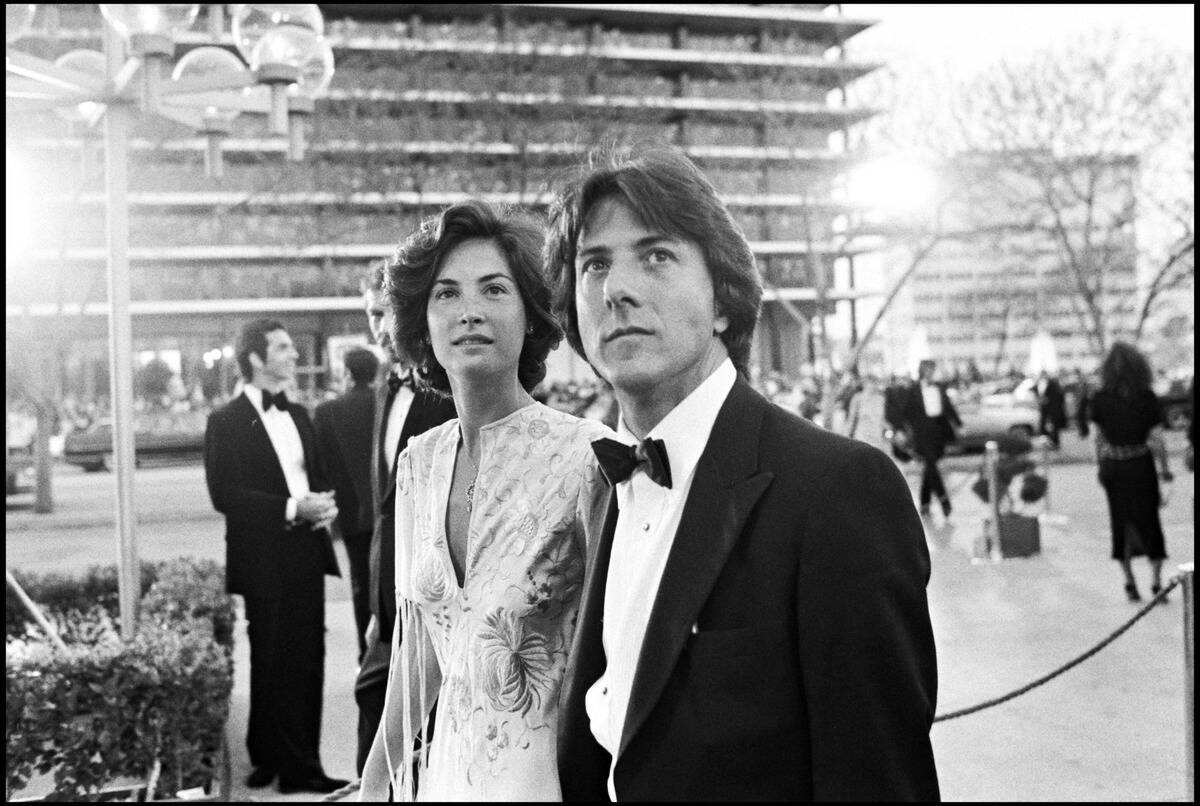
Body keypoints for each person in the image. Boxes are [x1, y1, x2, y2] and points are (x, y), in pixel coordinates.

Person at [544, 145, 939, 801]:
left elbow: (878, 779)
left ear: (724, 300)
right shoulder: (599, 490)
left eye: (656, 256)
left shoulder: (838, 492)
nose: (616, 288)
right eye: (594, 265)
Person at [360, 200, 610, 801]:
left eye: (493, 290)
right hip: (448, 778)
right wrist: (374, 781)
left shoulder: (589, 459)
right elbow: (422, 647)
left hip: (556, 782)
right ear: (422, 324)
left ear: (531, 315)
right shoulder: (419, 462)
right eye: (446, 294)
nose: (468, 311)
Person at [203, 319, 349, 794]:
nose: (292, 355)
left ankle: (301, 763)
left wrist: (324, 504)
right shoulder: (224, 421)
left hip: (307, 549)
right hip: (262, 557)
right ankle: (272, 757)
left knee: (308, 659)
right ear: (256, 360)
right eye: (283, 348)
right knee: (270, 660)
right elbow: (224, 494)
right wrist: (291, 507)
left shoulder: (301, 414)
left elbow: (316, 475)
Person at [354, 262, 458, 777]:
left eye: (384, 313)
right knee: (373, 708)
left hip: (436, 593)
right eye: (370, 314)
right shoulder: (384, 386)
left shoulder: (447, 390)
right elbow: (386, 506)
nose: (376, 328)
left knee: (425, 736)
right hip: (387, 593)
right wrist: (378, 602)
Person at [1088, 342, 1174, 602]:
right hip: (1140, 464)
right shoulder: (1147, 397)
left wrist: (1101, 466)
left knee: (1121, 523)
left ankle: (1129, 583)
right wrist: (1165, 469)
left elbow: (1098, 440)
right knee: (1150, 521)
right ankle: (1157, 583)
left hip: (1114, 467)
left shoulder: (1100, 398)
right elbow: (1157, 440)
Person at [313, 347, 380, 662]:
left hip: (352, 512)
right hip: (389, 509)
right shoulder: (386, 404)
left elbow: (320, 464)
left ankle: (365, 654)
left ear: (347, 373)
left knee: (360, 584)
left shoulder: (328, 411)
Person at [901, 359, 962, 518]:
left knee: (930, 466)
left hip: (938, 430)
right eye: (928, 370)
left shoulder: (940, 387)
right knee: (931, 465)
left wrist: (958, 424)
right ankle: (944, 501)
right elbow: (905, 412)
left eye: (932, 370)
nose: (931, 373)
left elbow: (948, 408)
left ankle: (924, 503)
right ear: (922, 371)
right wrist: (910, 430)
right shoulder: (912, 390)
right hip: (922, 433)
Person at [1035, 369, 1067, 449]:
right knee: (1046, 428)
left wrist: (1048, 401)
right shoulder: (1040, 384)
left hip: (1053, 412)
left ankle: (1054, 443)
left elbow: (1057, 398)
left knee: (1054, 428)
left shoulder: (1053, 385)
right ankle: (1049, 443)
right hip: (1046, 412)